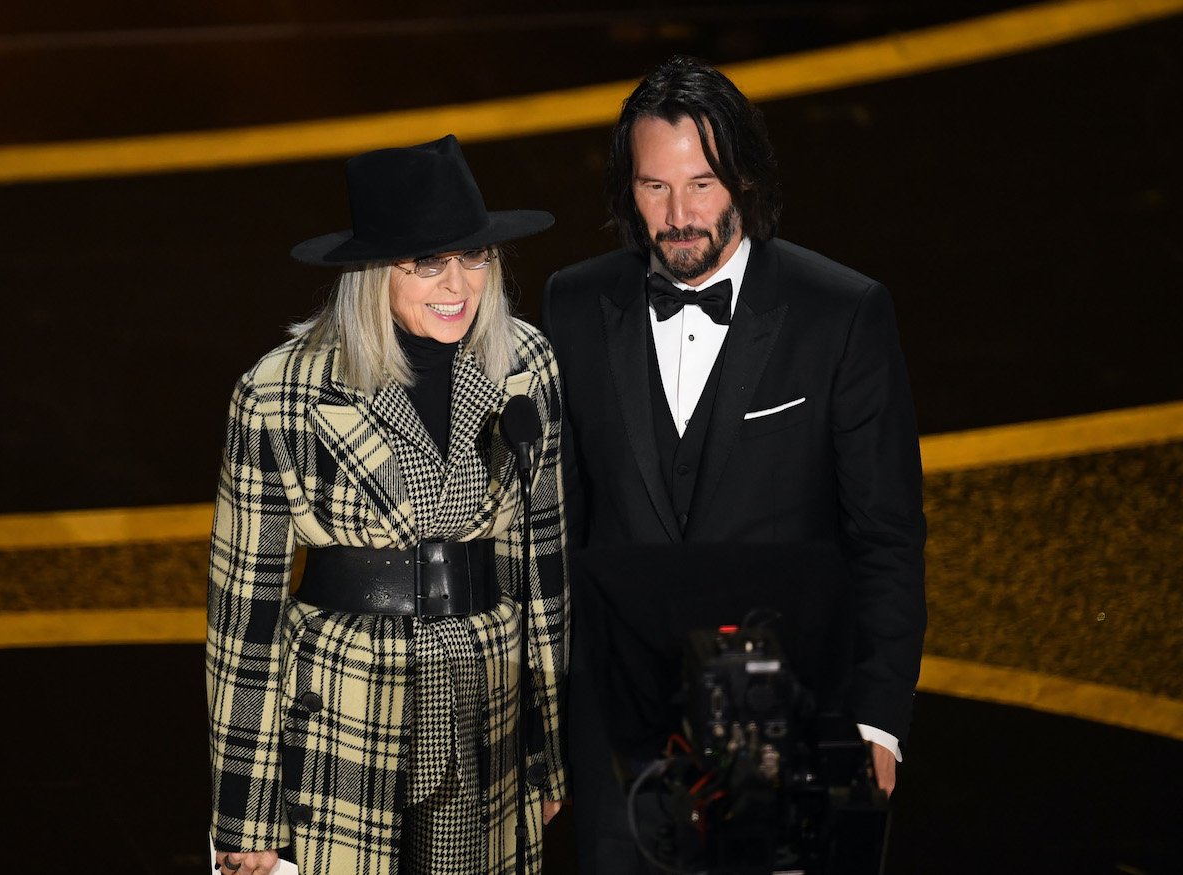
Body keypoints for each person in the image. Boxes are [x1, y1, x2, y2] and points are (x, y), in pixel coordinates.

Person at [542, 56, 926, 872]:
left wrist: (878, 718)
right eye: (654, 187)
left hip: (793, 718)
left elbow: (886, 534)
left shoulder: (842, 313)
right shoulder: (571, 307)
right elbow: (559, 535)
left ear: (744, 178)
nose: (679, 215)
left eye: (703, 183)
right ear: (627, 189)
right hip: (622, 734)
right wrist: (547, 726)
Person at [207, 135, 568, 875]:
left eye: (474, 257)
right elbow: (245, 617)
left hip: (484, 711)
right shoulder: (281, 393)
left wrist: (551, 755)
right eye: (428, 262)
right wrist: (244, 810)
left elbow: (543, 570)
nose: (458, 284)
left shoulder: (525, 362)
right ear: (373, 273)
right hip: (342, 714)